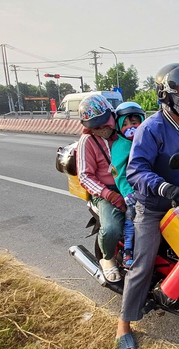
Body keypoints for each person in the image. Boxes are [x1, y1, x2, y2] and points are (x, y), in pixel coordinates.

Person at [115, 63, 179, 349]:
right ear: (165, 95)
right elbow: (136, 170)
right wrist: (165, 189)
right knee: (142, 265)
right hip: (152, 207)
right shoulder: (151, 128)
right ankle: (123, 324)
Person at [76, 94, 126, 283]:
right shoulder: (87, 141)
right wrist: (109, 195)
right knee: (112, 229)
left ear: (111, 115)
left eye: (104, 123)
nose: (101, 129)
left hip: (131, 185)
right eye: (95, 127)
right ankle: (107, 259)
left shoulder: (125, 129)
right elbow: (84, 176)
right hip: (104, 192)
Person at [110, 101, 146, 268]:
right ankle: (128, 251)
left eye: (134, 122)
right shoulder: (121, 145)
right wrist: (127, 192)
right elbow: (118, 172)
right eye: (124, 124)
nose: (130, 127)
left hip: (150, 189)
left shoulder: (147, 140)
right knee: (131, 217)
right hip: (132, 192)